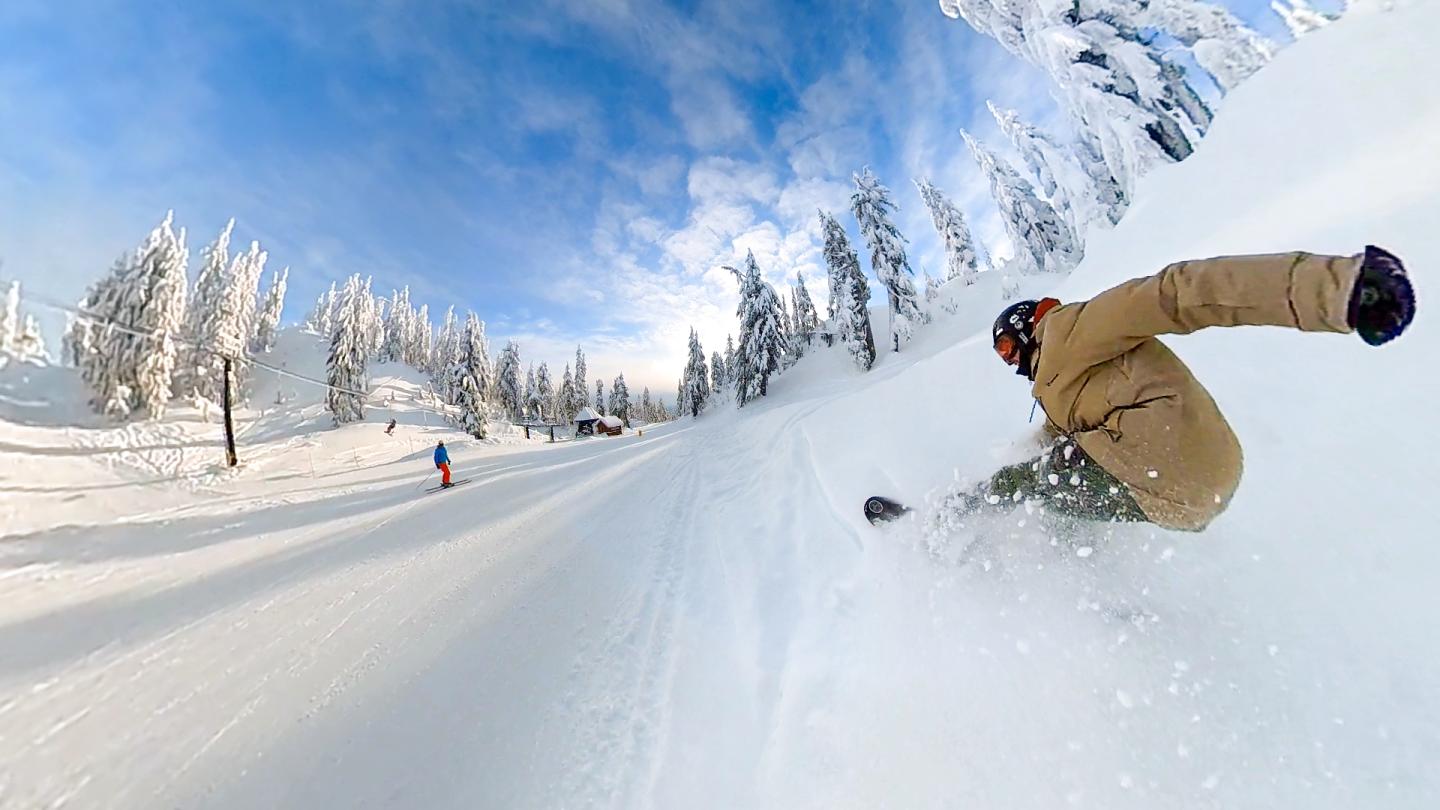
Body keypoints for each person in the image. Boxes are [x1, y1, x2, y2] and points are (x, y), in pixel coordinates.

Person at [952, 246, 1416, 532]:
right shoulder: (1057, 389)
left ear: (1026, 326)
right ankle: (1075, 594)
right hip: (1181, 498)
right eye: (1002, 356)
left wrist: (1336, 289)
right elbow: (1048, 438)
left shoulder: (1070, 328)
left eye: (1008, 346)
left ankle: (948, 520)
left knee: (1031, 483)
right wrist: (1002, 460)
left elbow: (1174, 295)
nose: (1011, 360)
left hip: (1161, 457)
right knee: (1047, 500)